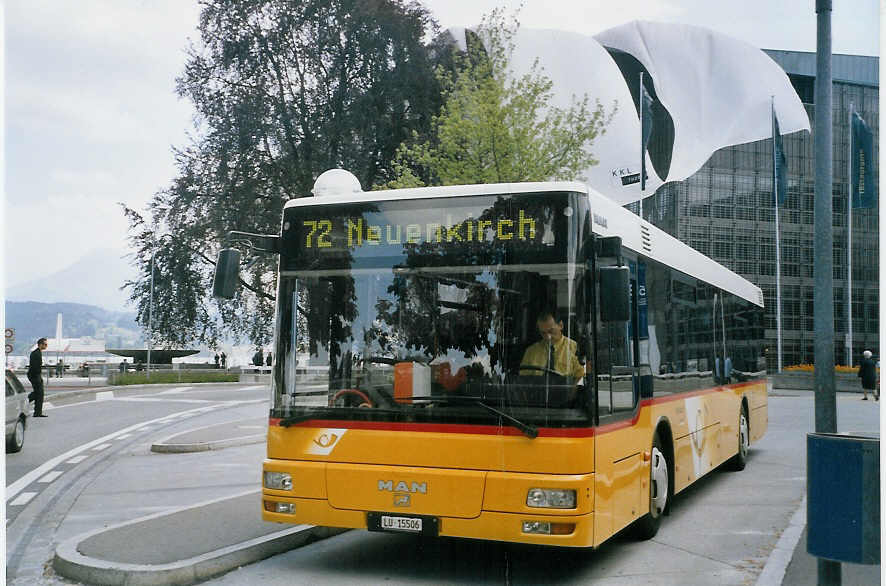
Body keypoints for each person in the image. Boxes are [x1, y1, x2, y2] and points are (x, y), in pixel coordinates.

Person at [520, 310, 586, 381]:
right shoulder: (531, 351)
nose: (548, 337)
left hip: (565, 391)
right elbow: (523, 380)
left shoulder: (574, 348)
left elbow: (581, 378)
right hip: (537, 391)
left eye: (551, 331)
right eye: (543, 333)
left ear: (561, 325)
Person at [27, 338, 49, 417]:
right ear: (40, 344)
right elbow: (34, 367)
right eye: (45, 344)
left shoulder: (38, 352)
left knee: (39, 394)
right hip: (34, 376)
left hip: (36, 375)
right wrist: (38, 377)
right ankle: (25, 401)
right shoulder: (35, 353)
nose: (46, 346)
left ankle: (37, 412)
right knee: (38, 393)